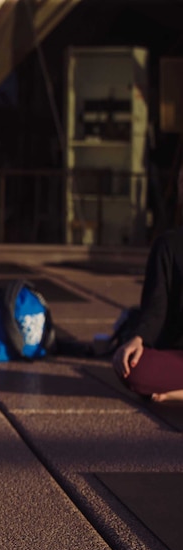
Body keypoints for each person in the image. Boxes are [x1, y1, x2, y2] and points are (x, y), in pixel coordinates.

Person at [112, 167, 183, 403]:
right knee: (134, 368)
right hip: (177, 354)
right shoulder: (168, 246)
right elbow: (156, 308)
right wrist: (138, 338)